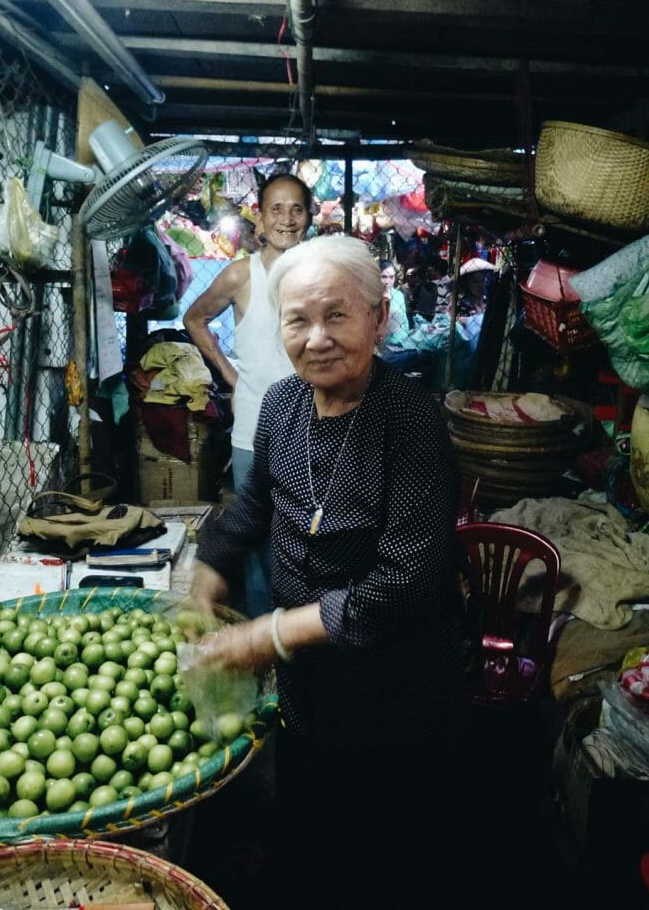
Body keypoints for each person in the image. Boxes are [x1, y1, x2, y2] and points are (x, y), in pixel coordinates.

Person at [189, 234, 470, 909]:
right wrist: (207, 575)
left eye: (337, 316)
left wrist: (273, 634)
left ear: (378, 320)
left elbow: (401, 583)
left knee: (382, 849)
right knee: (309, 817)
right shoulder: (283, 407)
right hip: (306, 689)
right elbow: (251, 508)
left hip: (392, 691)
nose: (317, 338)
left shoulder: (412, 425)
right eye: (297, 319)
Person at [184, 173, 311, 616]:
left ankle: (301, 635)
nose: (286, 219)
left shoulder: (320, 274)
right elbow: (194, 318)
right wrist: (231, 377)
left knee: (304, 538)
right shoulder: (242, 274)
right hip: (254, 431)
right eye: (276, 208)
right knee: (256, 543)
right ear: (260, 216)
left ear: (309, 217)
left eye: (296, 209)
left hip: (313, 430)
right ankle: (263, 637)